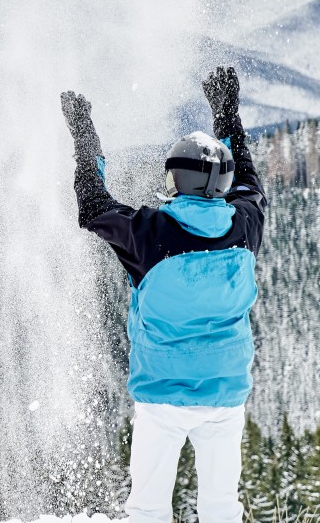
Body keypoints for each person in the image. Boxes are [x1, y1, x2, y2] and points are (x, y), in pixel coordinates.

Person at [59, 66, 267, 523]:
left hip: (161, 395)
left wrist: (84, 134)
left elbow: (93, 204)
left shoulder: (151, 234)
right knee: (220, 508)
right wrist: (227, 112)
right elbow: (250, 181)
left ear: (176, 179)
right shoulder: (245, 226)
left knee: (148, 509)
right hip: (225, 392)